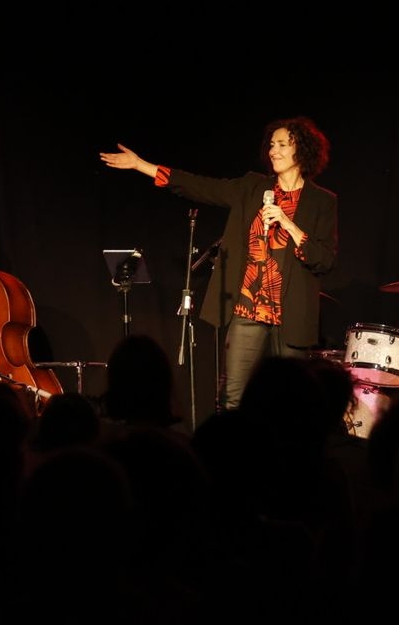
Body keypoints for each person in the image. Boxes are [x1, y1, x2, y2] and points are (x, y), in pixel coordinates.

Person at [99, 116, 338, 410]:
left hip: (292, 315)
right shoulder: (252, 188)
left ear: (302, 150)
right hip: (248, 309)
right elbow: (200, 186)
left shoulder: (322, 202)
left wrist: (288, 225)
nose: (273, 151)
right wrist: (141, 165)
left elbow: (324, 259)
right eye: (271, 145)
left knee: (292, 402)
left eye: (282, 145)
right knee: (232, 398)